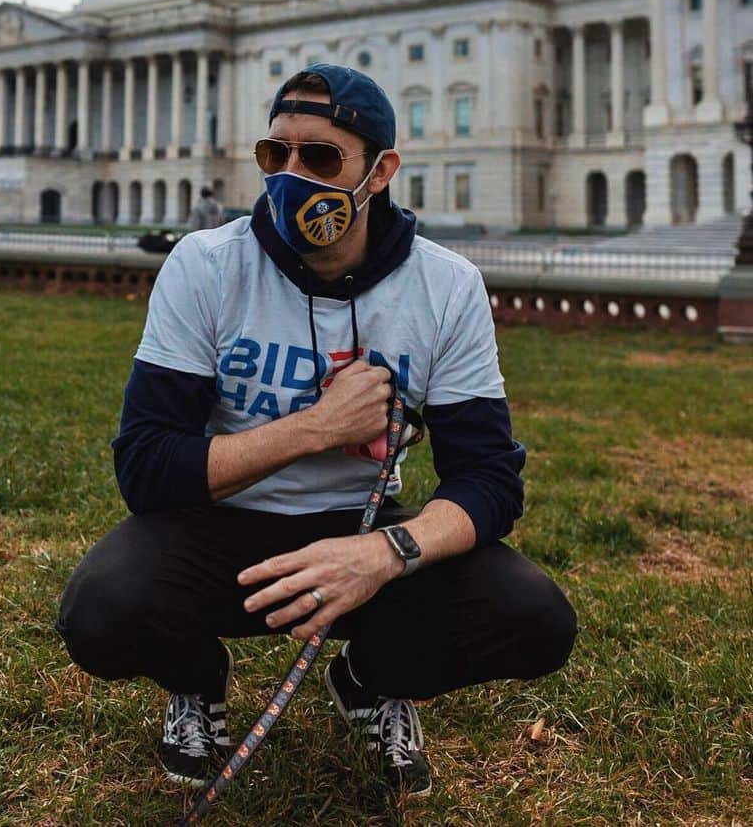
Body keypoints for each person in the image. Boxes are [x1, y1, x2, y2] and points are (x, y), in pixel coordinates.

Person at [56, 64, 577, 803]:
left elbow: (489, 480)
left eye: (322, 158)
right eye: (277, 155)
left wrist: (385, 552)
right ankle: (196, 680)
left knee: (535, 619)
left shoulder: (444, 286)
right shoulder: (206, 266)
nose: (291, 176)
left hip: (361, 533)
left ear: (381, 171)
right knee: (100, 610)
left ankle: (369, 679)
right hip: (220, 528)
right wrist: (314, 428)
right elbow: (145, 468)